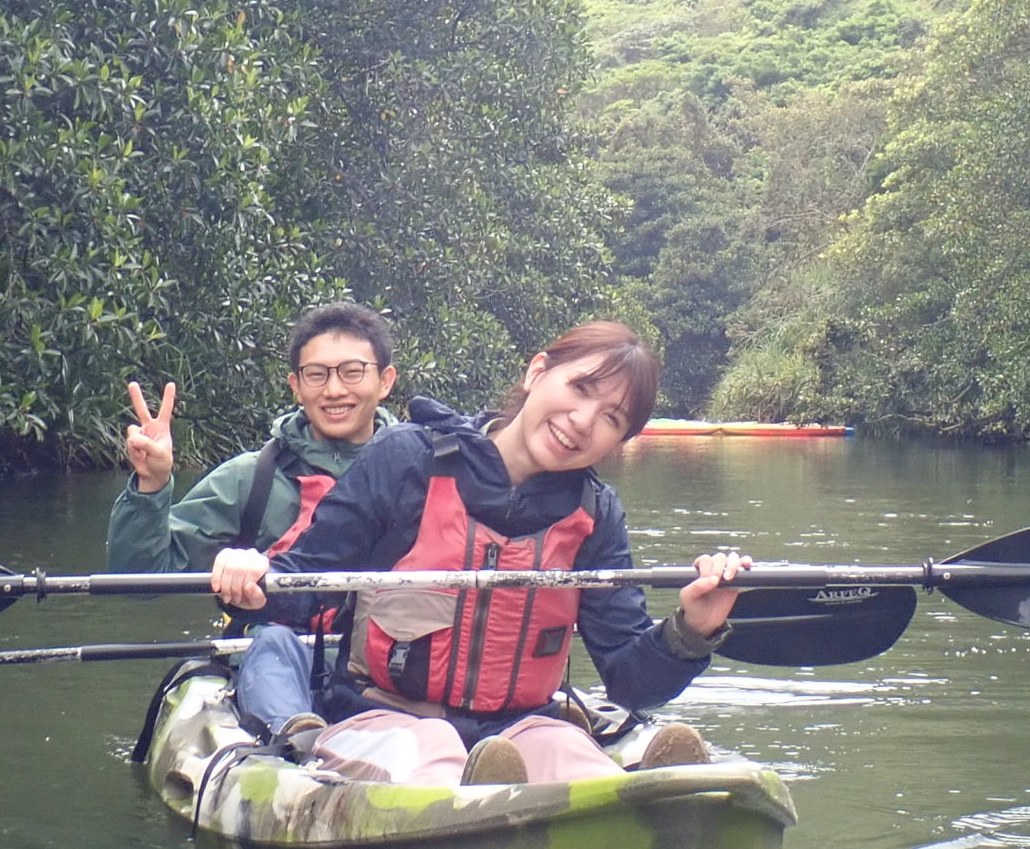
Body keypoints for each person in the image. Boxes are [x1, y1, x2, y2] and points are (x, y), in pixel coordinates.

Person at [208, 322, 750, 787]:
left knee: (572, 759)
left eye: (612, 418)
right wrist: (255, 576)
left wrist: (691, 631)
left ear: (619, 442)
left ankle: (650, 808)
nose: (584, 420)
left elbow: (631, 683)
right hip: (382, 715)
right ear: (537, 372)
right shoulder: (407, 461)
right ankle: (473, 810)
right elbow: (302, 588)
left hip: (521, 725)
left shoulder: (594, 514)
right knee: (436, 751)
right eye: (580, 389)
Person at [110, 303, 400, 733]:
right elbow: (140, 579)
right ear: (296, 387)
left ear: (385, 381)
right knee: (272, 640)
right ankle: (294, 743)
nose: (334, 390)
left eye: (353, 372)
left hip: (388, 660)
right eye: (317, 375)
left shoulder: (421, 473)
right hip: (276, 651)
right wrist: (152, 485)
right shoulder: (253, 477)